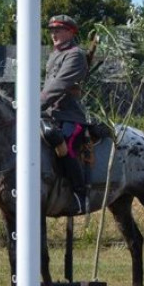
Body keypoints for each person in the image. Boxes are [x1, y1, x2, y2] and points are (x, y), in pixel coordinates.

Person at [41, 13, 90, 213]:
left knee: (65, 142)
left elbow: (59, 85)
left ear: (71, 32)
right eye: (52, 30)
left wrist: (35, 104)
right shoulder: (54, 55)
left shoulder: (75, 55)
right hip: (49, 114)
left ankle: (80, 194)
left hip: (69, 115)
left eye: (59, 30)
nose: (54, 34)